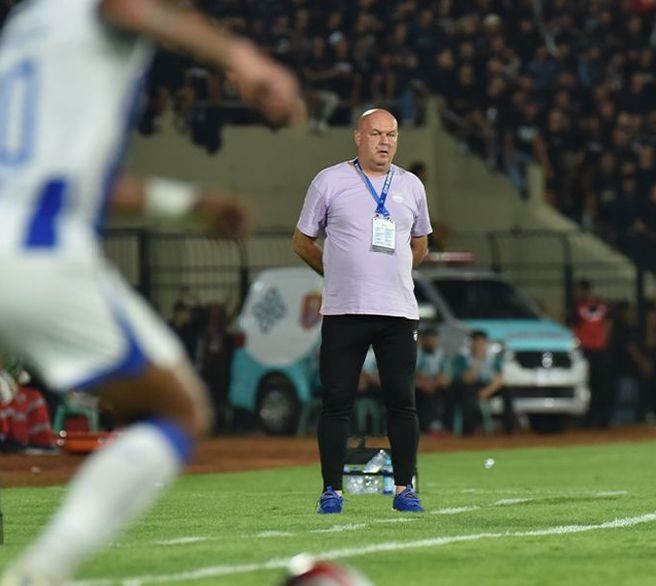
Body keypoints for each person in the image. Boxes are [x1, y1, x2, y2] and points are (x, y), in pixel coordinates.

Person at [0, 1, 304, 583]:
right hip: (38, 254)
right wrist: (243, 58)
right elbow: (125, 8)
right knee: (178, 410)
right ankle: (41, 573)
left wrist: (185, 205)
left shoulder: (26, 26)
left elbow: (81, 181)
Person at [293, 108, 432, 514]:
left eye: (391, 134)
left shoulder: (410, 185)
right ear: (358, 137)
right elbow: (302, 241)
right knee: (337, 401)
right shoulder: (330, 181)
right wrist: (335, 271)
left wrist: (397, 272)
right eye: (376, 134)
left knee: (402, 402)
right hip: (344, 309)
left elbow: (420, 244)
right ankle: (331, 491)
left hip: (397, 312)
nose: (385, 141)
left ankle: (404, 489)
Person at [451, 330, 512, 435]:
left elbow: (500, 379)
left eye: (482, 342)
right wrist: (478, 360)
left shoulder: (493, 357)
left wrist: (487, 391)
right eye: (477, 342)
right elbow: (467, 379)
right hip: (470, 386)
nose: (480, 345)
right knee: (469, 396)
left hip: (488, 387)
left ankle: (509, 429)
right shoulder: (464, 357)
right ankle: (468, 431)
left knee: (508, 392)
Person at [570, 278, 612, 428]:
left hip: (590, 351)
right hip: (595, 350)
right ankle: (596, 420)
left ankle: (595, 421)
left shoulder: (579, 307)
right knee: (596, 386)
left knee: (595, 386)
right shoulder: (601, 305)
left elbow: (572, 328)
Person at [414, 327, 450, 433]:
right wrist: (425, 383)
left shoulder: (441, 354)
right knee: (420, 395)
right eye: (428, 339)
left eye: (433, 339)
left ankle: (444, 425)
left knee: (449, 392)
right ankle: (423, 427)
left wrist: (433, 383)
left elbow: (444, 373)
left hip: (436, 384)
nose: (430, 341)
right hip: (420, 385)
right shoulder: (417, 352)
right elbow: (414, 372)